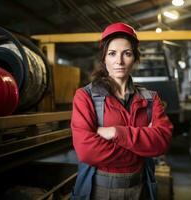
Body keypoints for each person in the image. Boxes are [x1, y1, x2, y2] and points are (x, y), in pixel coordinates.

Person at [71, 22, 173, 200]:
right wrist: (141, 147)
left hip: (141, 189)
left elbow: (163, 142)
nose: (119, 61)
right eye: (112, 54)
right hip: (99, 191)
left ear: (135, 58)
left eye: (127, 53)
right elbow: (87, 151)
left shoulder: (150, 99)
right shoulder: (85, 97)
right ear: (104, 59)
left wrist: (116, 133)